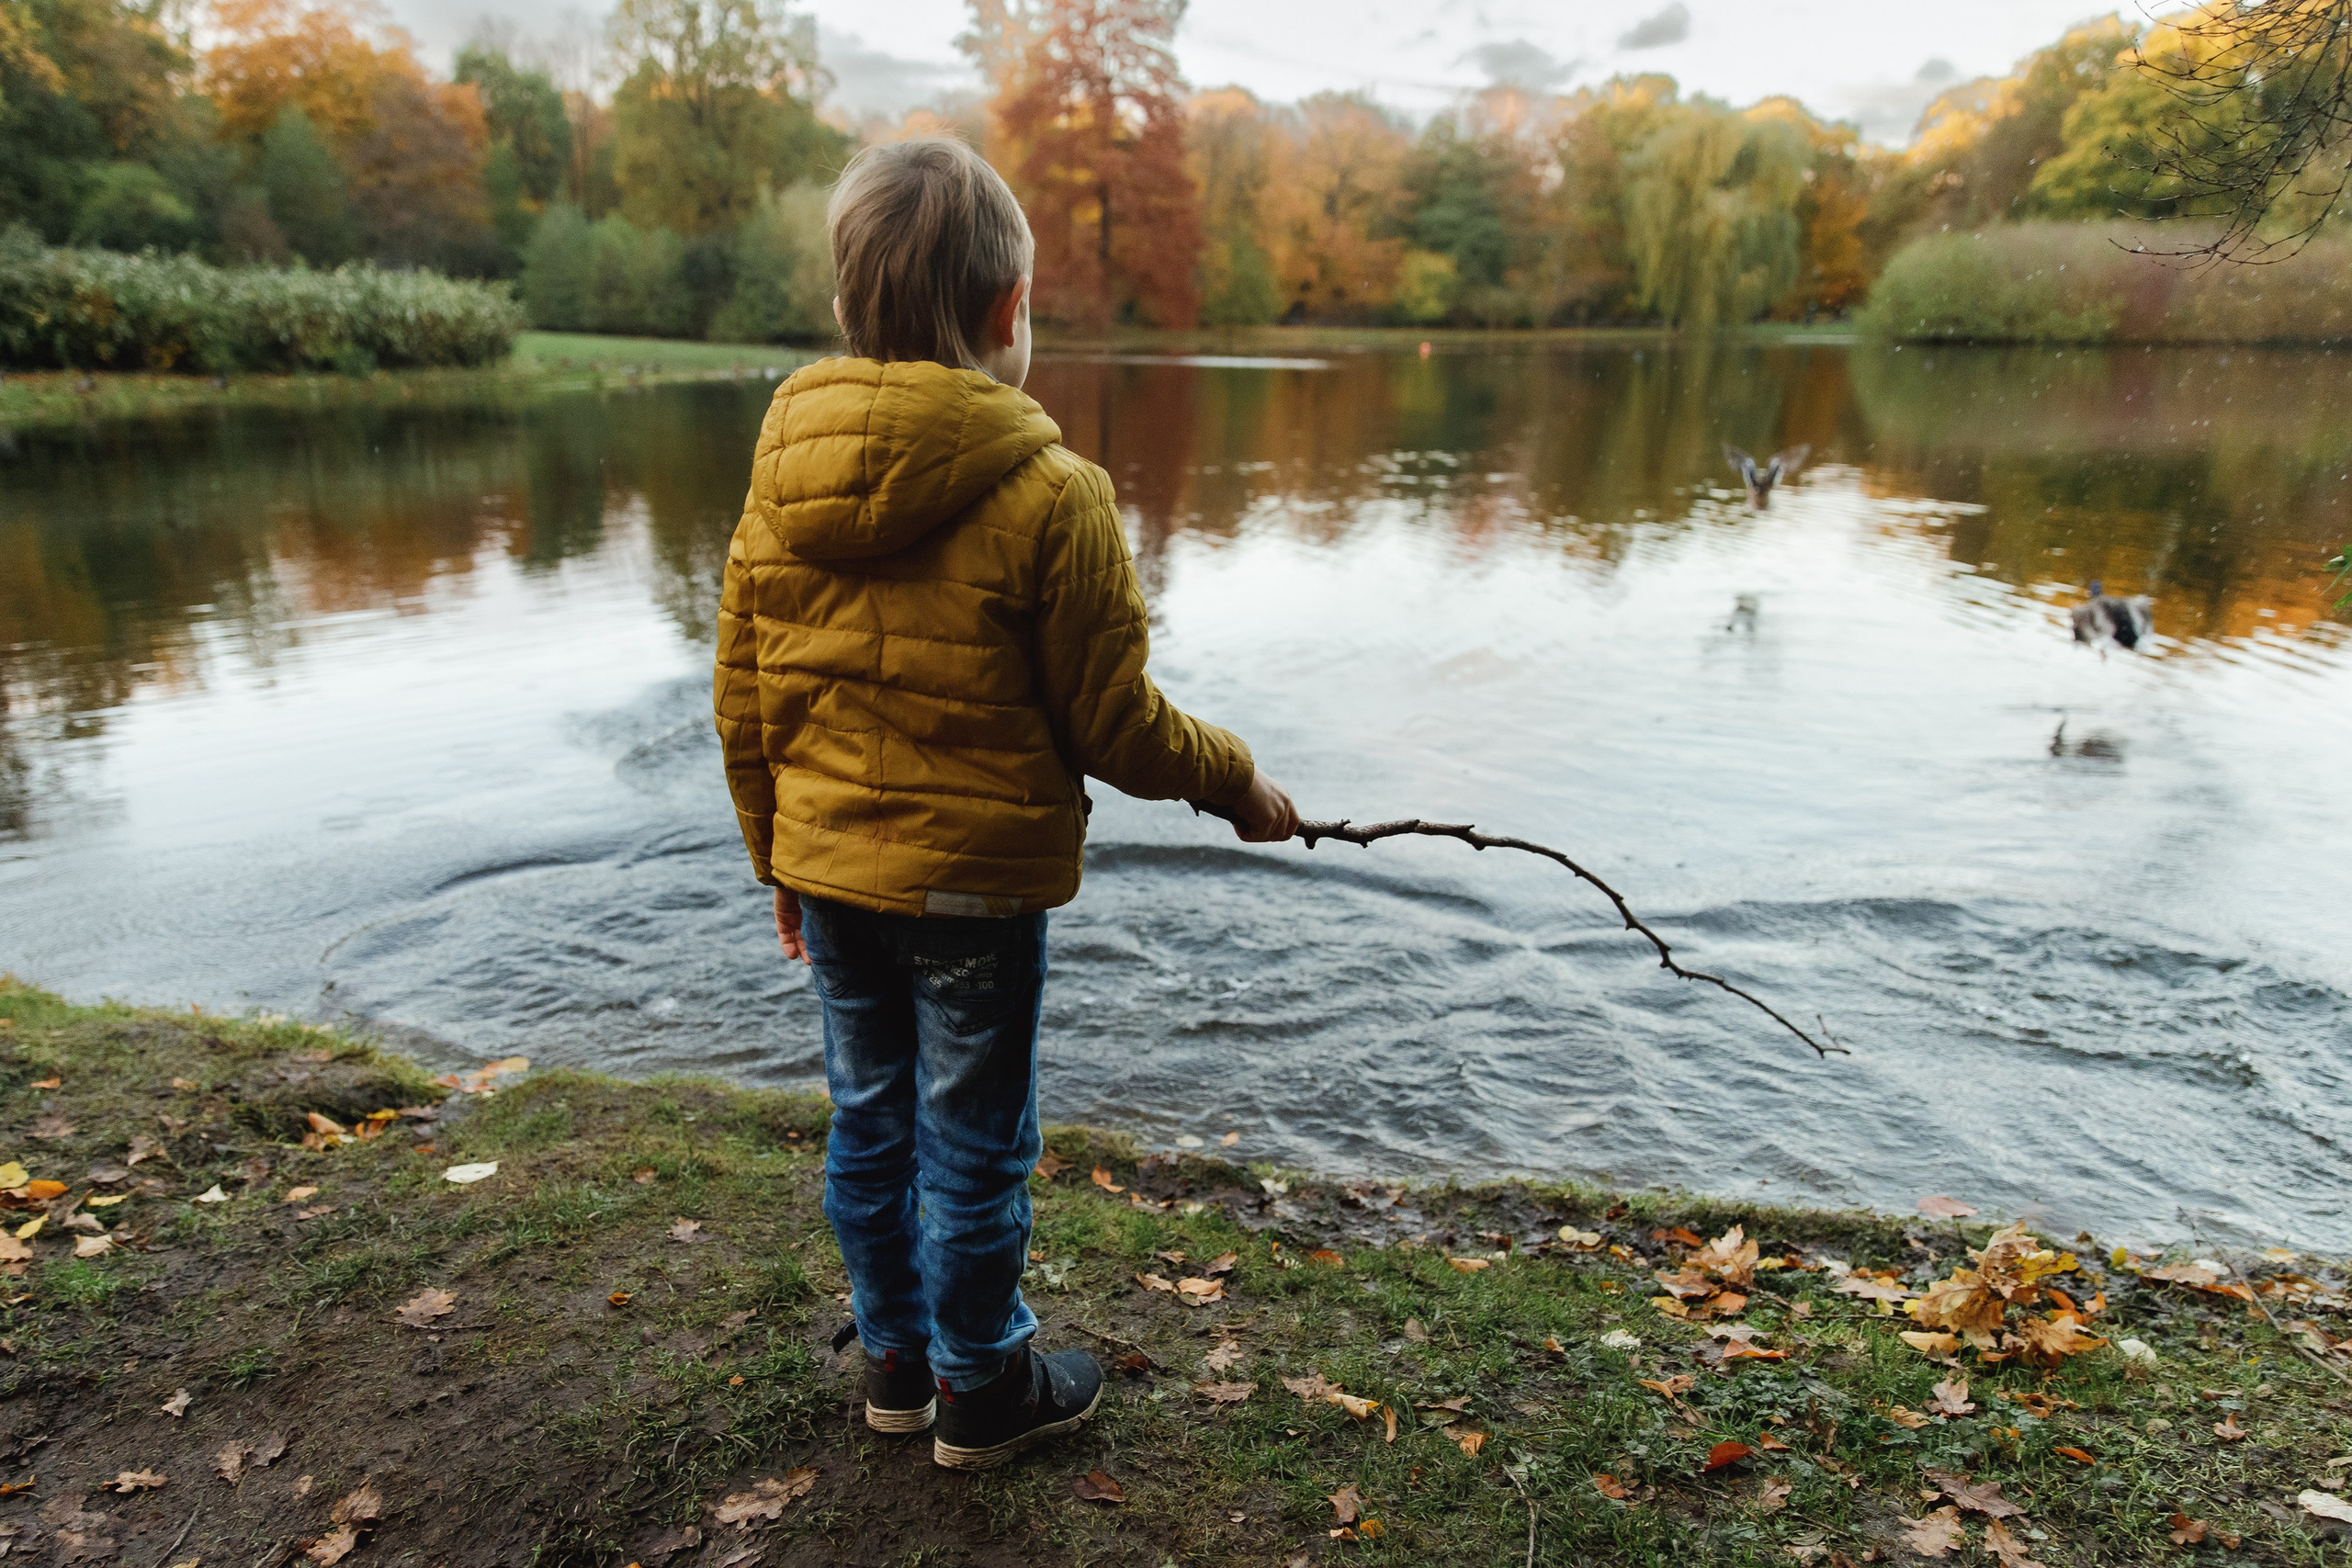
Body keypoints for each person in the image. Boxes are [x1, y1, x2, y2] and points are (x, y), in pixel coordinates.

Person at [712, 137, 1299, 1472]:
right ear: (1009, 313)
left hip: (833, 878)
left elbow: (743, 698)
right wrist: (1237, 783)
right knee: (972, 1140)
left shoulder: (778, 479)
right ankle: (983, 1386)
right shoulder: (1057, 496)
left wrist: (780, 866)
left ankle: (896, 1364)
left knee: (871, 1117)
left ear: (849, 300)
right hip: (975, 888)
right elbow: (1117, 727)